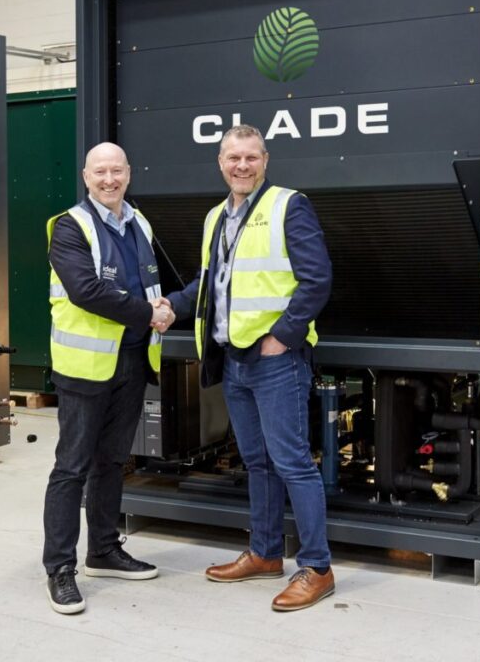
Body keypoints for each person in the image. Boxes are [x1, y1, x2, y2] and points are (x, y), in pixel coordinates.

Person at [165, 124, 334, 612]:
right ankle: (264, 553)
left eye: (251, 157)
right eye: (233, 158)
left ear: (265, 160)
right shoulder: (216, 216)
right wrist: (170, 308)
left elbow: (317, 278)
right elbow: (208, 282)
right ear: (220, 163)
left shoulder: (288, 204)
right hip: (233, 360)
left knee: (293, 464)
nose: (242, 166)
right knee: (257, 463)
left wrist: (281, 337)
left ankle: (318, 567)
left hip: (275, 362)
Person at [43, 142, 175, 615]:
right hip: (85, 367)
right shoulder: (69, 227)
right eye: (100, 172)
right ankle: (59, 569)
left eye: (116, 171)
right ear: (85, 176)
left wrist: (163, 309)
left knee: (113, 459)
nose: (109, 179)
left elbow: (149, 283)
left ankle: (102, 550)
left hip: (134, 360)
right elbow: (87, 291)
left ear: (129, 174)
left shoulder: (138, 221)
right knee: (71, 467)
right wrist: (149, 314)